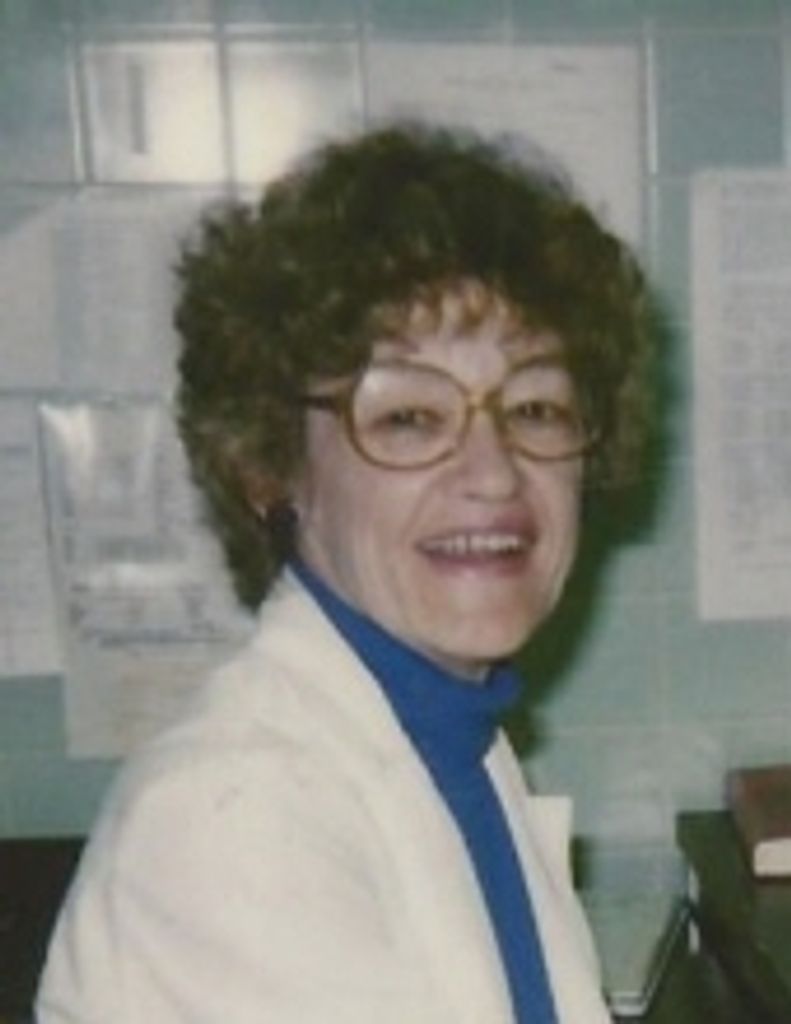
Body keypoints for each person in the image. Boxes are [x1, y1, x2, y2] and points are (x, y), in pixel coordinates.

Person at [36, 123, 653, 1023]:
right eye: (408, 418)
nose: (493, 474)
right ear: (270, 463)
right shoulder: (237, 817)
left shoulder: (451, 740)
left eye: (534, 408)